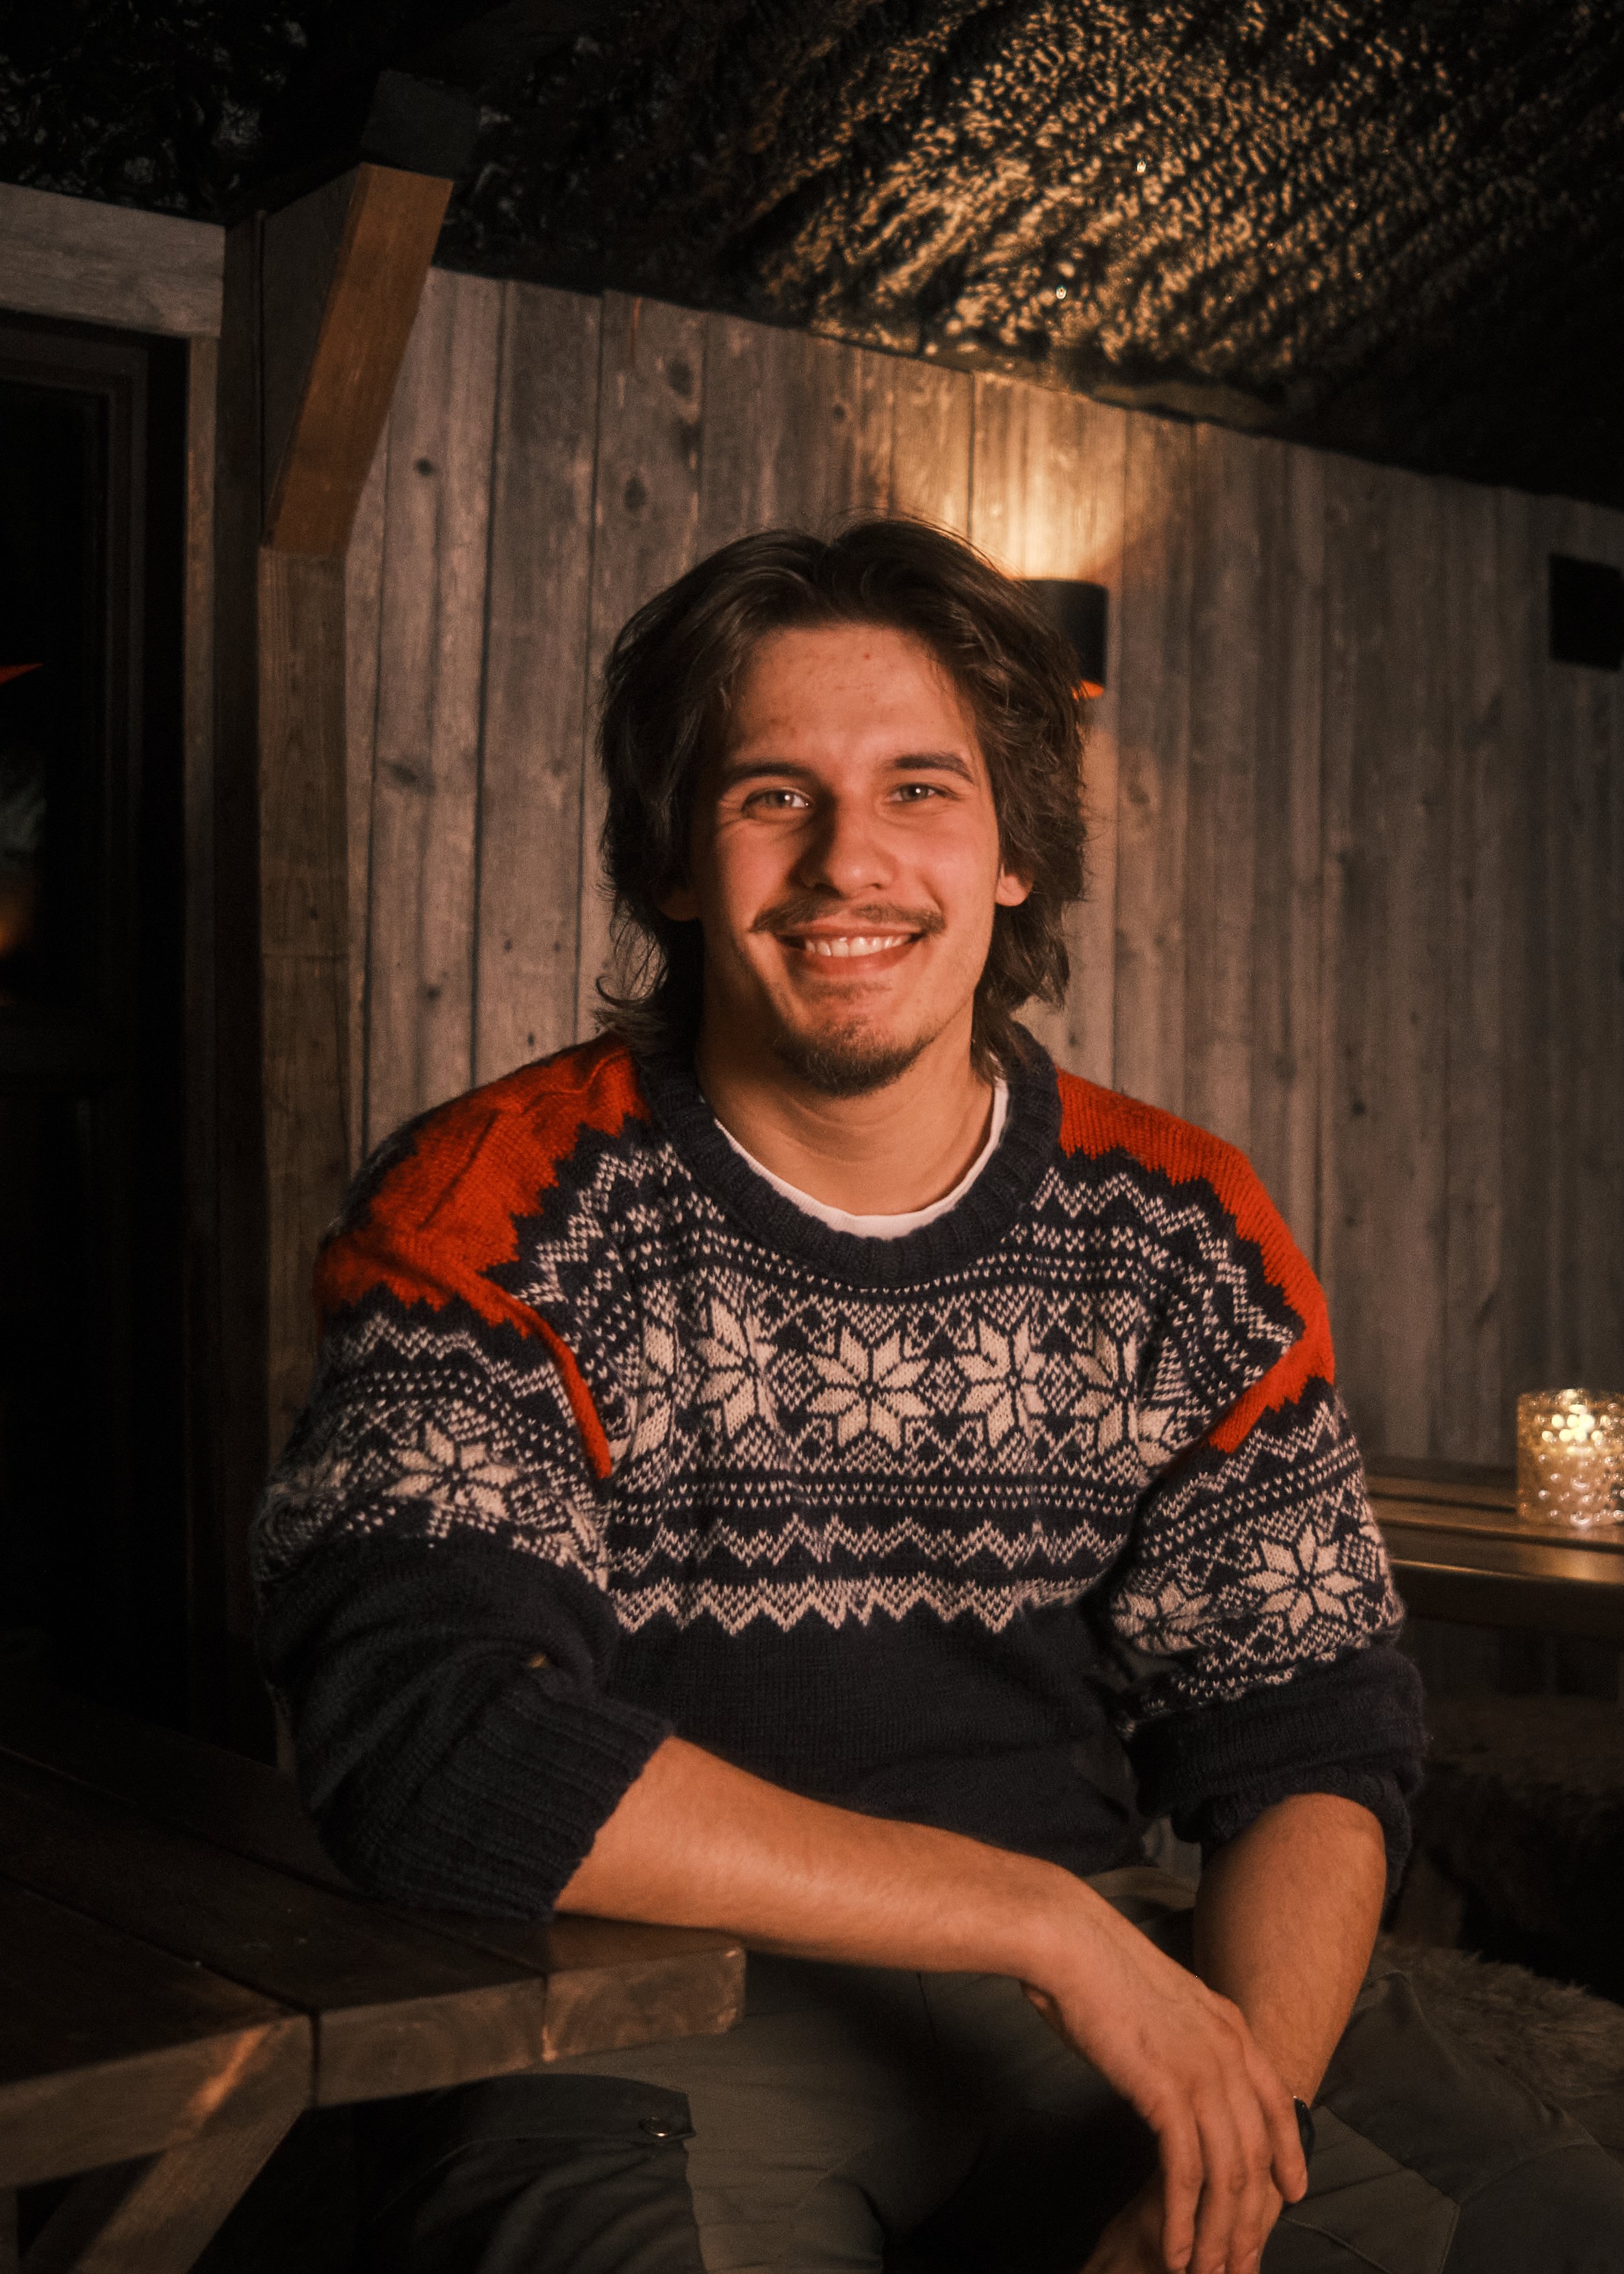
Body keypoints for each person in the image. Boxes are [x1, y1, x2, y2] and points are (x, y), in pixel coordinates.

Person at [255, 520, 1624, 2274]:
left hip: (1113, 1984)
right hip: (647, 1990)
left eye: (919, 790)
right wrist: (1038, 1919)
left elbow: (1309, 1729)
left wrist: (1228, 2125)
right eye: (769, 794)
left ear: (1010, 860)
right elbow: (434, 1749)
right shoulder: (493, 1206)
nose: (848, 863)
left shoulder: (1180, 1229)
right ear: (675, 857)